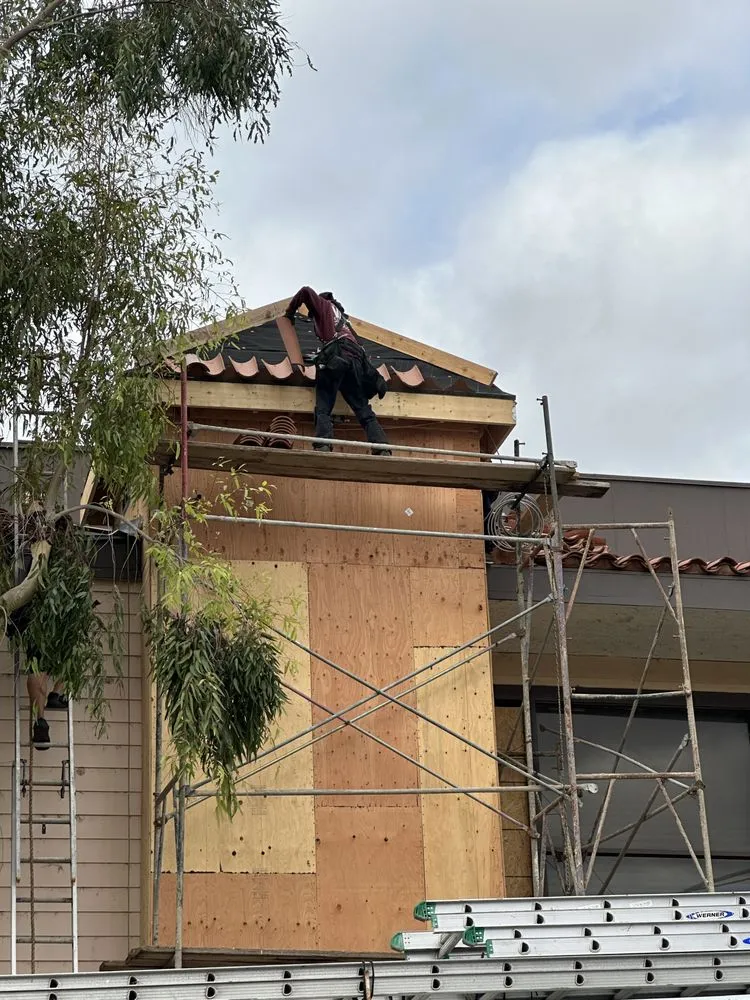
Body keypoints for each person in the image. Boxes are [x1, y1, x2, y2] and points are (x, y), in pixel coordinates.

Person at [284, 287, 391, 455]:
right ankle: (382, 447)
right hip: (354, 362)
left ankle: (323, 444)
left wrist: (290, 313)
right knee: (362, 408)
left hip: (337, 358)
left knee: (324, 403)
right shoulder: (346, 324)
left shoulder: (324, 306)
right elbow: (359, 354)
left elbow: (305, 291)